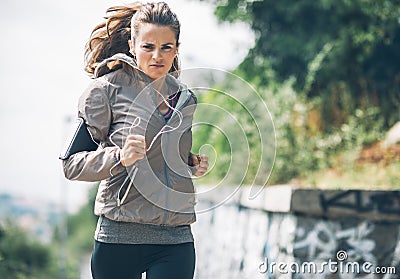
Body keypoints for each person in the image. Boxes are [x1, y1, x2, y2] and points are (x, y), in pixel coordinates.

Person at [61, 2, 209, 278]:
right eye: (148, 46)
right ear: (132, 46)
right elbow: (71, 165)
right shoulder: (105, 92)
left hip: (175, 238)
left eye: (166, 47)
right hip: (119, 238)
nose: (157, 56)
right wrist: (119, 157)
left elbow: (167, 160)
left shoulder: (185, 99)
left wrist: (190, 165)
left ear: (177, 48)